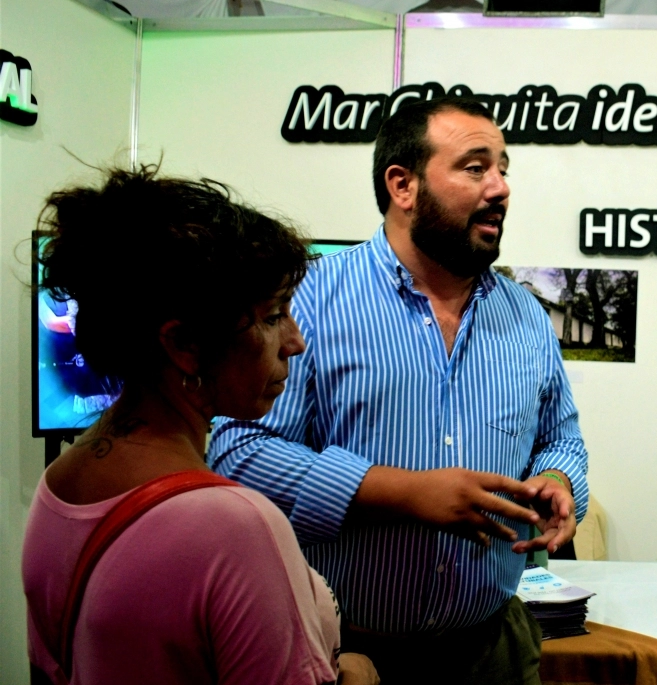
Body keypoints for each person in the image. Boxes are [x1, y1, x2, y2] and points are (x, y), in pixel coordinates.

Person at [208, 96, 588, 684]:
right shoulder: (310, 299)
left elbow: (561, 439)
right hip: (351, 656)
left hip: (496, 651)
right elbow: (237, 452)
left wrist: (559, 483)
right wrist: (400, 491)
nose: (500, 187)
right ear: (402, 185)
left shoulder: (526, 315)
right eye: (475, 166)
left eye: (503, 168)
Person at [22, 166, 377, 685]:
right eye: (274, 314)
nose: (296, 341)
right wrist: (354, 675)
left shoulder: (60, 485)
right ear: (184, 344)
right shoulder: (236, 526)